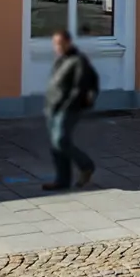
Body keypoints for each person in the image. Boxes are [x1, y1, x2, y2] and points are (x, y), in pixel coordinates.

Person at [42, 29, 100, 191]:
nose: (57, 47)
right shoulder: (62, 60)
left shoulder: (78, 60)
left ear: (68, 42)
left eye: (60, 43)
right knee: (56, 145)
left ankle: (86, 165)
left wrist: (67, 106)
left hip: (69, 108)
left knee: (61, 140)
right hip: (53, 107)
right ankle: (62, 180)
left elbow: (80, 87)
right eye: (55, 44)